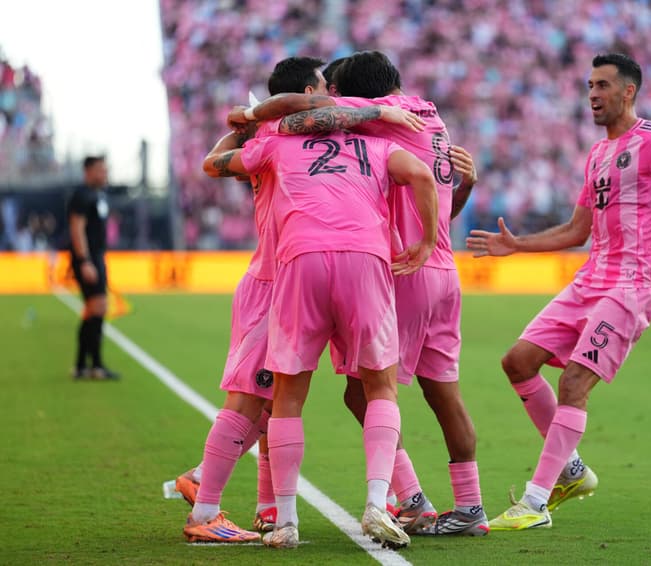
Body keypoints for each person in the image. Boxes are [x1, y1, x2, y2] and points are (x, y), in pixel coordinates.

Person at [228, 50, 534, 537]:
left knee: (361, 390)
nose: (329, 97)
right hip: (441, 268)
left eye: (335, 89)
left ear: (355, 95)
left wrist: (248, 115)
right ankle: (471, 507)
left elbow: (290, 110)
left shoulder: (374, 122)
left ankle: (409, 498)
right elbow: (435, 199)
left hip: (400, 268)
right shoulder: (432, 119)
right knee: (442, 392)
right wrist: (464, 190)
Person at [466, 53, 651, 530]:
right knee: (517, 362)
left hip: (632, 286)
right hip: (591, 279)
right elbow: (575, 230)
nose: (593, 94)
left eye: (603, 85)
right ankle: (572, 471)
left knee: (573, 384)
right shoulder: (596, 154)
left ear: (628, 91)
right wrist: (517, 245)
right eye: (590, 85)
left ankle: (535, 502)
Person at [178, 56, 425, 544]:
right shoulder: (281, 138)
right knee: (253, 399)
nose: (330, 94)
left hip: (287, 272)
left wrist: (244, 123)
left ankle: (267, 507)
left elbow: (219, 160)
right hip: (275, 279)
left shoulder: (276, 141)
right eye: (322, 88)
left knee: (275, 400)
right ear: (311, 93)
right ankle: (205, 501)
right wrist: (247, 121)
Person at [67, 155, 119, 380]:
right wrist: (85, 260)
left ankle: (81, 366)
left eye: (105, 170)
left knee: (93, 309)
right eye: (100, 170)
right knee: (98, 307)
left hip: (97, 257)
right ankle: (95, 365)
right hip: (88, 259)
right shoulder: (82, 195)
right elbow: (77, 229)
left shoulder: (99, 195)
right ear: (88, 171)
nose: (104, 174)